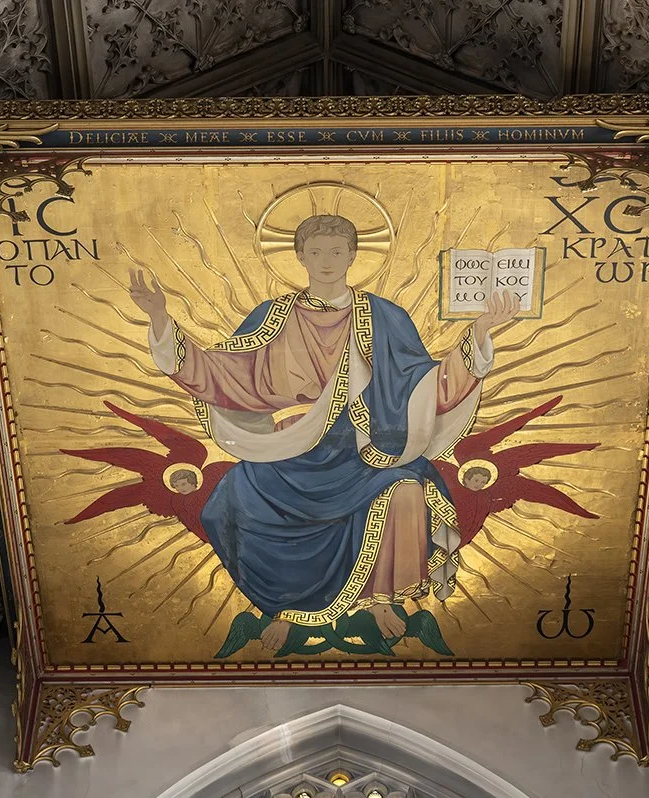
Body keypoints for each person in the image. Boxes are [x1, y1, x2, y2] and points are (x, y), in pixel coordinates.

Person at [129, 214, 518, 650]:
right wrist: (160, 318)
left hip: (366, 446)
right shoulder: (271, 317)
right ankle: (281, 608)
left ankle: (381, 598)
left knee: (408, 488)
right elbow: (219, 375)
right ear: (298, 257)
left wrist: (480, 332)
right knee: (230, 503)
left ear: (354, 255)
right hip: (287, 448)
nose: (326, 261)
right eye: (315, 252)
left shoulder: (385, 316)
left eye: (336, 251)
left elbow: (426, 386)